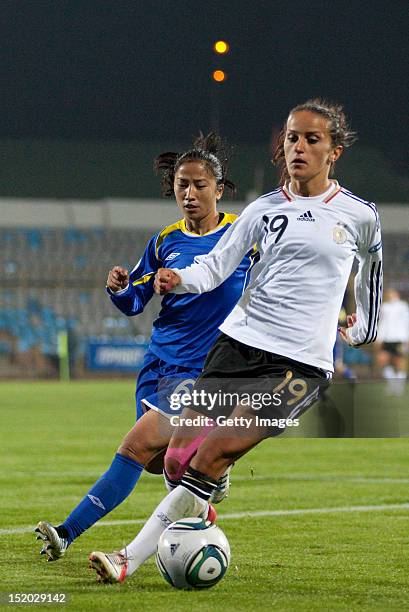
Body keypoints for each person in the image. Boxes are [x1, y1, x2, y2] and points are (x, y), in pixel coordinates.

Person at [88, 99, 383, 583]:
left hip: (300, 366)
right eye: (292, 137)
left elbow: (371, 275)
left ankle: (127, 558)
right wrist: (176, 278)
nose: (299, 147)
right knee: (180, 457)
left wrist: (365, 328)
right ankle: (206, 489)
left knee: (209, 454)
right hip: (239, 344)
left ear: (335, 151)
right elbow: (215, 265)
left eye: (312, 139)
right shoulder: (262, 210)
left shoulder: (360, 215)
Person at [35, 133, 255, 563]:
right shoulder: (163, 241)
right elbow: (135, 300)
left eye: (199, 185)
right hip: (158, 364)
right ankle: (212, 474)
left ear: (219, 186)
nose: (189, 194)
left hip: (205, 368)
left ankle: (66, 533)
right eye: (181, 186)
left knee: (133, 447)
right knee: (156, 464)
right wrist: (117, 287)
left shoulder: (240, 237)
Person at [376, 288, 409, 395]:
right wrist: (379, 339)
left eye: (392, 293)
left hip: (400, 338)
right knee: (383, 360)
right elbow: (382, 324)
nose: (390, 295)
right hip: (387, 339)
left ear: (397, 294)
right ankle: (392, 385)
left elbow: (406, 322)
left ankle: (398, 386)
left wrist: (407, 339)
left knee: (399, 362)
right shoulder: (385, 308)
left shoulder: (403, 306)